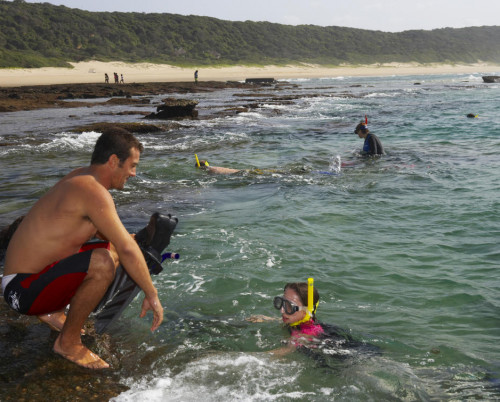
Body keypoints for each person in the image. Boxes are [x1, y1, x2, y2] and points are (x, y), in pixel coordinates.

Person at [2, 127, 164, 369]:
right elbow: (128, 249)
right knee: (102, 262)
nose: (134, 173)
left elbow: (90, 231)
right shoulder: (92, 191)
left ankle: (53, 312)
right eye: (132, 165)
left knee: (112, 249)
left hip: (28, 281)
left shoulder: (82, 178)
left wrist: (119, 242)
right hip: (21, 291)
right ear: (113, 161)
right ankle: (68, 342)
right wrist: (151, 295)